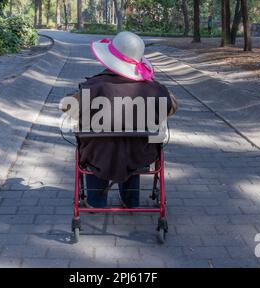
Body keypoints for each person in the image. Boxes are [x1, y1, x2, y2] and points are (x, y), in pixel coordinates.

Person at [64, 31, 177, 208]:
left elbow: (68, 108)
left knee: (97, 145)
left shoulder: (93, 87)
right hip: (141, 154)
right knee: (134, 143)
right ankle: (131, 201)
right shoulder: (157, 90)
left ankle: (96, 202)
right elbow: (171, 108)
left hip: (98, 154)